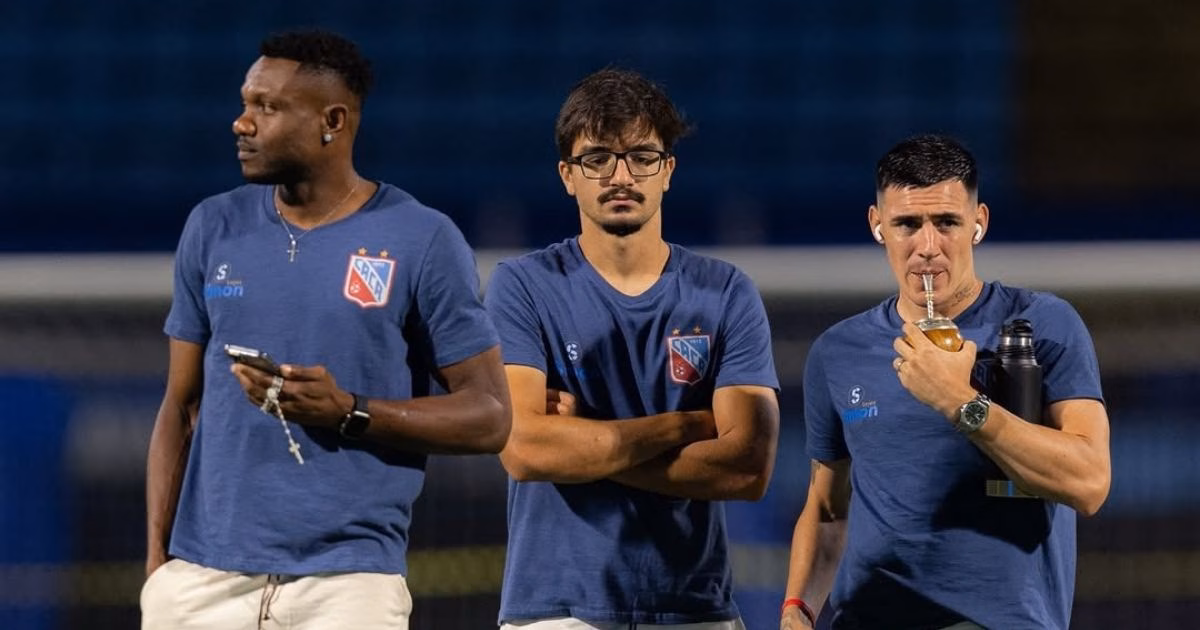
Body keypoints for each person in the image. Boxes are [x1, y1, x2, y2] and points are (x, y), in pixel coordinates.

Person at [142, 30, 511, 629]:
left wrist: (350, 410)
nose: (242, 122)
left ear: (331, 121)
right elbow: (181, 408)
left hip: (347, 585)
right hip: (202, 582)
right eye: (245, 102)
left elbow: (492, 416)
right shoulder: (212, 226)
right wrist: (160, 569)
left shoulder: (421, 238)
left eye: (267, 106)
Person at [483, 68, 781, 630]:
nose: (621, 175)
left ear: (668, 171)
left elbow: (747, 470)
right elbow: (525, 451)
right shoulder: (522, 285)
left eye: (641, 156)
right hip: (556, 611)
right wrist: (683, 425)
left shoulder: (725, 291)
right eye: (597, 158)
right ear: (567, 176)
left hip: (696, 611)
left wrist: (587, 445)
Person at [781, 134, 1111, 630]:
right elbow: (829, 512)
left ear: (979, 223)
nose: (927, 246)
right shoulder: (837, 351)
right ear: (878, 226)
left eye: (947, 223)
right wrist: (797, 610)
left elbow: (1089, 482)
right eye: (907, 224)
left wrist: (961, 403)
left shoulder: (1042, 324)